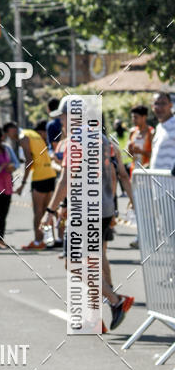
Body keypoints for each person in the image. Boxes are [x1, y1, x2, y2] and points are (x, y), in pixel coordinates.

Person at [41, 99, 134, 331]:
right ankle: (95, 318)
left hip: (83, 211)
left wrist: (50, 211)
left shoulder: (74, 141)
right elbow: (116, 173)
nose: (59, 121)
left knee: (73, 264)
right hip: (102, 208)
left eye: (61, 117)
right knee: (95, 260)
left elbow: (64, 180)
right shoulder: (102, 138)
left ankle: (115, 301)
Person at [17, 119, 57, 250]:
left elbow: (29, 160)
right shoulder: (39, 138)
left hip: (39, 177)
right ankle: (49, 239)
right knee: (47, 211)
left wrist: (23, 182)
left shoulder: (24, 136)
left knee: (38, 211)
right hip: (50, 174)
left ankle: (38, 241)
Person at [150, 92, 175, 171]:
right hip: (158, 181)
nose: (159, 107)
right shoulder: (159, 127)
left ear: (171, 105)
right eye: (156, 103)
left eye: (163, 103)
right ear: (152, 107)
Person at [127, 105, 154, 171]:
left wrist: (141, 152)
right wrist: (129, 150)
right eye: (132, 117)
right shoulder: (132, 132)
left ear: (144, 117)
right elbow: (129, 155)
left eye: (135, 117)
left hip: (148, 170)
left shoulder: (151, 132)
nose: (133, 120)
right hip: (134, 170)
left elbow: (155, 155)